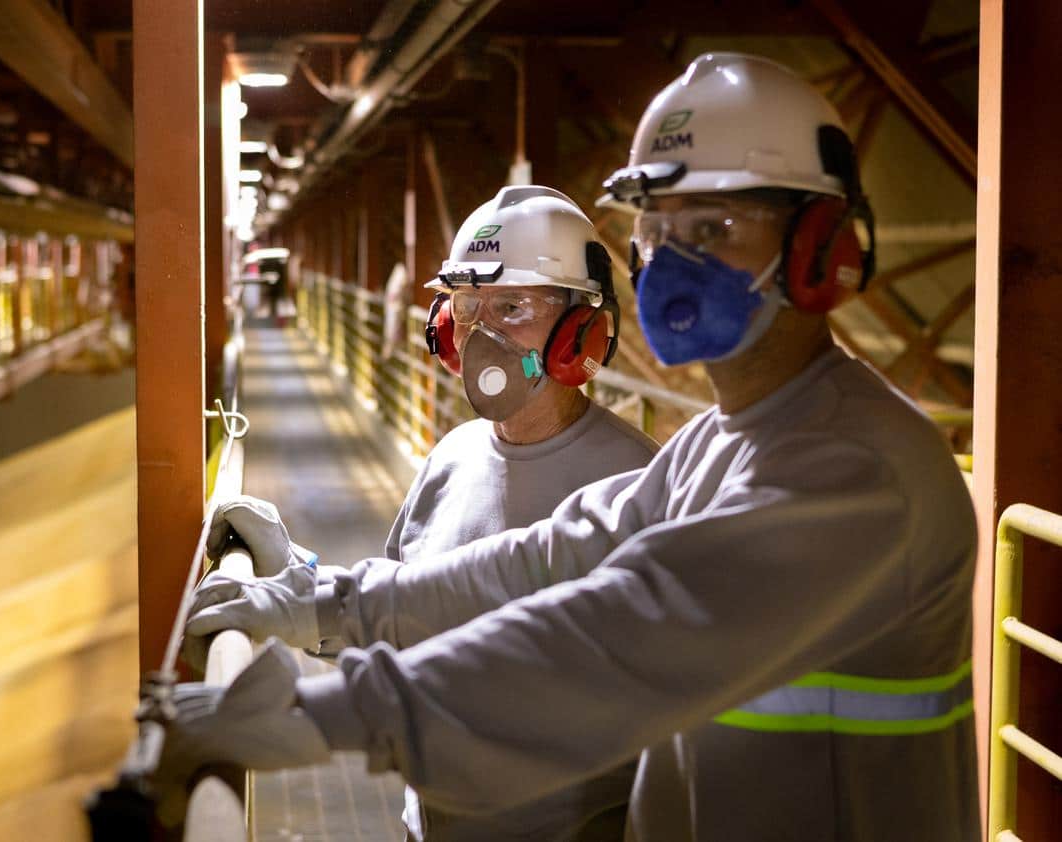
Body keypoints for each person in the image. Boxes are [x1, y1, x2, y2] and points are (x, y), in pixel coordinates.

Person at [163, 53, 978, 842]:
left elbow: (614, 639)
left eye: (716, 227)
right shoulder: (712, 447)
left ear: (819, 249)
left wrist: (328, 714)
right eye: (657, 229)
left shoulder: (859, 471)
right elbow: (539, 561)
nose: (672, 258)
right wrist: (318, 600)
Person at [183, 186, 660, 841]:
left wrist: (314, 693)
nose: (480, 332)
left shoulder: (634, 484)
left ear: (581, 329)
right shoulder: (452, 458)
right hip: (429, 824)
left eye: (513, 306)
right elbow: (405, 607)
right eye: (466, 306)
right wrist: (300, 574)